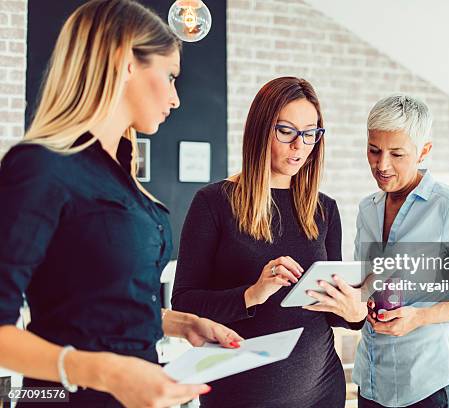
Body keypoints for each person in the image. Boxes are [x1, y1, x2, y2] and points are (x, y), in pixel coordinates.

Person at [0, 1, 242, 407]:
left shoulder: (121, 175)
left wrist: (183, 324)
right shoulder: (39, 168)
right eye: (169, 76)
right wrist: (108, 372)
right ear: (125, 61)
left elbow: (97, 305)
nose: (176, 98)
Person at [171, 76, 368, 408]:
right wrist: (252, 294)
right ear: (261, 129)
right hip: (239, 394)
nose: (299, 146)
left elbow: (329, 313)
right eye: (286, 131)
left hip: (322, 392)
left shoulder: (325, 209)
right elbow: (185, 304)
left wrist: (354, 311)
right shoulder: (214, 203)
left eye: (310, 134)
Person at [352, 95, 449, 407]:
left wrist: (420, 316)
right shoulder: (368, 209)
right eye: (374, 150)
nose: (382, 165)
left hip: (432, 385)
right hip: (372, 383)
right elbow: (364, 285)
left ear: (424, 152)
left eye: (397, 154)